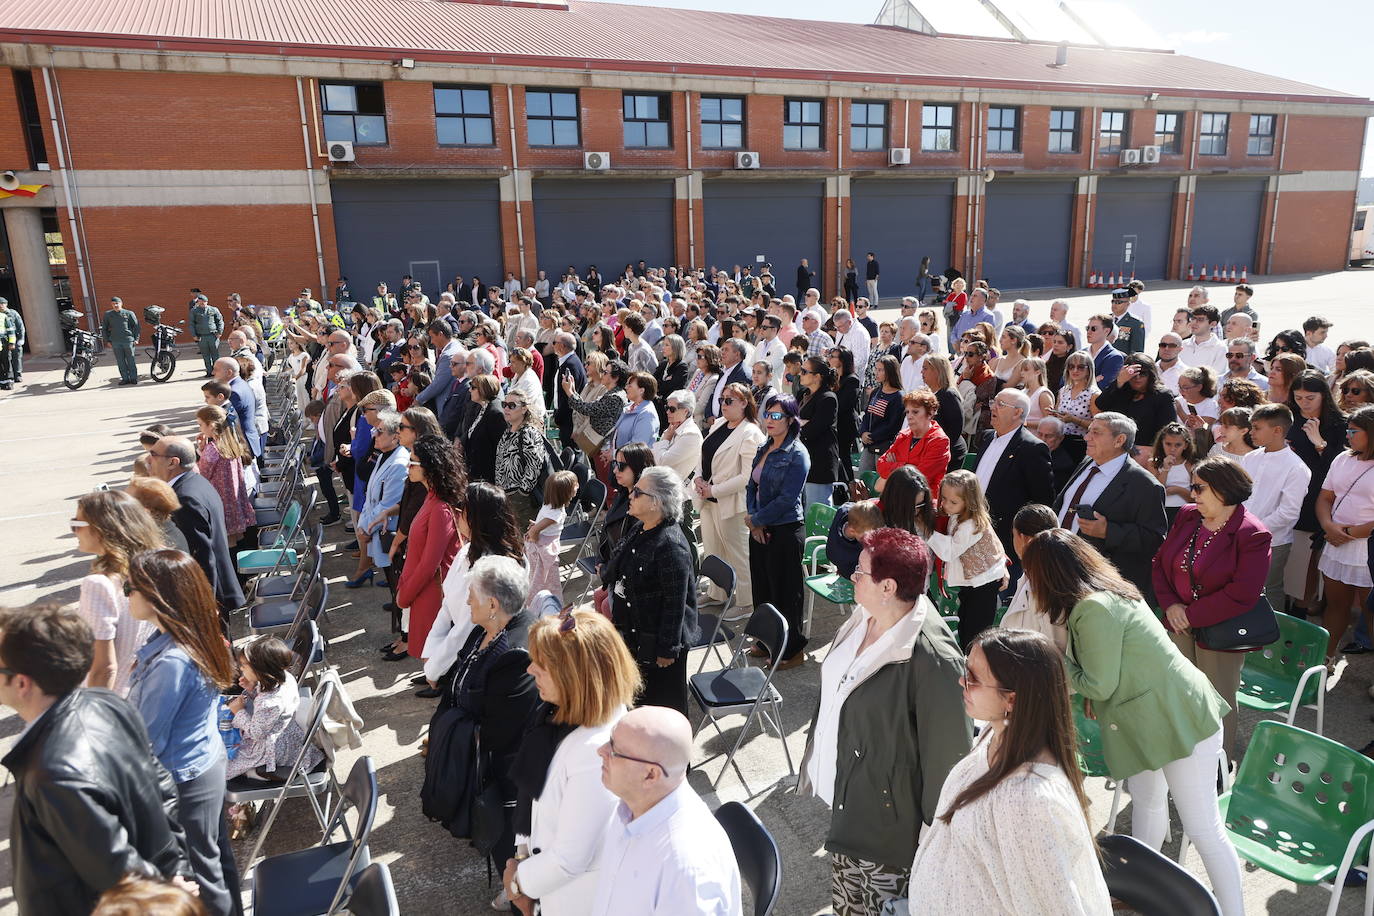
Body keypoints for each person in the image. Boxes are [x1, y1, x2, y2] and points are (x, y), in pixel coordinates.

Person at [1023, 529, 1242, 916]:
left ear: (1049, 575)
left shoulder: (1093, 608)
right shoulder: (1109, 592)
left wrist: (1054, 660)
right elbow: (1109, 670)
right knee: (1148, 805)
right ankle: (1141, 891)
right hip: (1153, 718)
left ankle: (1233, 911)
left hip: (1178, 720)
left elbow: (1099, 682)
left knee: (1203, 829)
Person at [798, 528, 972, 916]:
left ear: (888, 586)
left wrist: (931, 842)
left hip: (890, 835)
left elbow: (947, 761)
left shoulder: (934, 658)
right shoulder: (866, 615)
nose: (850, 576)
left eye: (859, 572)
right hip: (850, 808)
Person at [0, 605, 195, 915]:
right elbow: (164, 790)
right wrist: (174, 871)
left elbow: (114, 868)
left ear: (22, 683)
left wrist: (167, 889)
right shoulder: (106, 702)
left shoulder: (53, 771)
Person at [907, 628, 1110, 915]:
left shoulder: (1030, 800)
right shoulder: (994, 733)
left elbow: (1054, 905)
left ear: (1012, 700)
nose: (961, 680)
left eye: (974, 679)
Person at [125, 550, 241, 916]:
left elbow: (145, 741)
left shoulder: (172, 662)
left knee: (201, 875)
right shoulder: (182, 638)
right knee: (215, 860)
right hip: (201, 765)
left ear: (158, 596)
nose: (125, 593)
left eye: (131, 587)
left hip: (184, 777)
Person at [503, 610, 641, 916]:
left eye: (543, 665)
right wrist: (522, 858)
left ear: (576, 676)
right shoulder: (554, 718)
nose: (530, 670)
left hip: (572, 900)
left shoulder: (596, 753)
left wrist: (519, 883)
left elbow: (570, 858)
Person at [422, 554, 539, 885]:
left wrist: (447, 733)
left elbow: (500, 732)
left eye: (471, 594)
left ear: (492, 603)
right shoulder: (483, 630)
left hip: (504, 781)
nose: (467, 600)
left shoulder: (516, 650)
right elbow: (457, 680)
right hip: (480, 763)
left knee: (510, 855)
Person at [1152, 455, 1270, 758]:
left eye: (1199, 487)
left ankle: (1218, 765)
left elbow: (1243, 593)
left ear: (1223, 489)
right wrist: (1171, 606)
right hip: (1177, 623)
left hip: (1220, 631)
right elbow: (1160, 563)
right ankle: (1182, 755)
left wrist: (1188, 615)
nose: (1193, 494)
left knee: (1217, 700)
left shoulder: (1252, 533)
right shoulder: (1188, 515)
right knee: (1180, 693)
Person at [587, 706, 741, 916]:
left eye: (614, 750)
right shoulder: (632, 805)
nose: (601, 750)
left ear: (651, 775)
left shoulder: (686, 871)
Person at [602, 467, 698, 714]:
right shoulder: (641, 527)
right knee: (639, 703)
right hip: (636, 633)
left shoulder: (670, 545)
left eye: (637, 492)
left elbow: (675, 604)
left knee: (663, 709)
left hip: (657, 643)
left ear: (656, 503)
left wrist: (667, 649)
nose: (630, 495)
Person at [1053, 414, 1168, 603]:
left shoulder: (1145, 485)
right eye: (1089, 431)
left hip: (1094, 586)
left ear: (1119, 440)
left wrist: (1109, 531)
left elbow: (1154, 538)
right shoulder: (1087, 463)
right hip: (1057, 568)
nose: (1086, 437)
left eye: (1096, 433)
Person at [70, 490, 162, 695]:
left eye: (77, 525)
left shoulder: (98, 584)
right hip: (142, 691)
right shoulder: (154, 570)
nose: (74, 531)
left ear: (101, 530)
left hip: (112, 699)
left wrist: (96, 715)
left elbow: (103, 668)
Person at [747, 394, 811, 669]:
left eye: (776, 416)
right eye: (767, 414)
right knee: (762, 588)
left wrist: (757, 519)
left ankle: (792, 650)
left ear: (790, 419)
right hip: (760, 526)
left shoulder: (797, 454)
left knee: (785, 593)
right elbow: (752, 486)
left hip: (785, 529)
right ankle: (766, 639)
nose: (769, 420)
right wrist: (754, 519)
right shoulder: (764, 447)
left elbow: (787, 498)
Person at [146, 436, 244, 617]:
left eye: (153, 454)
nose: (147, 460)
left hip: (213, 598)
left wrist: (204, 605)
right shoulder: (195, 482)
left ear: (172, 462)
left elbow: (202, 555)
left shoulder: (184, 499)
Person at [693, 382, 768, 615]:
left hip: (732, 503)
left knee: (738, 554)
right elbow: (703, 453)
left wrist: (713, 490)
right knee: (714, 550)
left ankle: (746, 602)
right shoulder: (720, 424)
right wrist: (697, 477)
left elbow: (747, 477)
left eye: (729, 401)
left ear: (745, 403)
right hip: (707, 498)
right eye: (722, 400)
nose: (723, 405)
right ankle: (718, 593)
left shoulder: (751, 433)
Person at [391, 435, 465, 663]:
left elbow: (430, 564)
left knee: (435, 659)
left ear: (429, 466)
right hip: (423, 591)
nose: (408, 466)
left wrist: (404, 595)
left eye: (413, 462)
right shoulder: (432, 499)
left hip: (431, 594)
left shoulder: (440, 508)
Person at [1315, 405, 1374, 661]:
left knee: (1371, 613)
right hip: (1336, 542)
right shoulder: (1342, 458)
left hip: (1367, 548)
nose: (1348, 434)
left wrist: (1349, 531)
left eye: (1354, 430)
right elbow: (1325, 497)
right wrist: (1329, 527)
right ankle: (1324, 660)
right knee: (1336, 606)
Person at [1287, 370, 1348, 615]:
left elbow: (1343, 466)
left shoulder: (1340, 423)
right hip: (1289, 493)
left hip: (1320, 496)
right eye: (1299, 397)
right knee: (1289, 556)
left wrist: (1319, 442)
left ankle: (1302, 607)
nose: (1304, 403)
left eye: (1310, 398)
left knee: (1309, 559)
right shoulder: (1287, 417)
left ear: (1324, 395)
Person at [973, 389, 1053, 568]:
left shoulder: (1032, 448)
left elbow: (1042, 499)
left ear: (1017, 412)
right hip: (973, 529)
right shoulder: (987, 437)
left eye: (1001, 404)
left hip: (1004, 539)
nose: (993, 407)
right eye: (994, 402)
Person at [928, 470, 1008, 649]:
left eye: (953, 501)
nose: (946, 505)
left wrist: (927, 533)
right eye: (944, 499)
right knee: (965, 622)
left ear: (969, 501)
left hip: (983, 583)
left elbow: (949, 551)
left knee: (975, 633)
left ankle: (973, 663)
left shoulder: (971, 525)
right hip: (973, 582)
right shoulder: (960, 515)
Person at [1243, 404, 1311, 613]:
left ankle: (1272, 643)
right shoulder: (1250, 458)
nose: (1251, 432)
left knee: (1269, 590)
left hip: (1274, 541)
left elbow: (1289, 512)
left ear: (1277, 430)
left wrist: (1253, 529)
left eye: (1257, 428)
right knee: (1242, 588)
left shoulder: (1296, 467)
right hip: (1240, 536)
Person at [224, 636, 320, 780]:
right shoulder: (285, 677)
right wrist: (252, 688)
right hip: (287, 733)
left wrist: (238, 711)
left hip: (270, 749)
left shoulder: (269, 703)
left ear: (261, 669)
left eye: (244, 665)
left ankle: (254, 773)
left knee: (222, 770)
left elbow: (256, 733)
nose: (241, 668)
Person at [193, 406, 254, 544]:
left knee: (226, 542)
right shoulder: (231, 442)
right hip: (233, 502)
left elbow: (201, 475)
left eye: (201, 425)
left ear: (212, 425)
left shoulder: (213, 450)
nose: (200, 429)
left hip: (220, 503)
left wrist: (200, 452)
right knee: (235, 540)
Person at [1095, 355, 1177, 454]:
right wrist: (1119, 381)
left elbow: (1167, 429)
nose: (1137, 377)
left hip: (1145, 451)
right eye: (1133, 373)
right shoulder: (1120, 390)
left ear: (1150, 375)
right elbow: (1100, 404)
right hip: (1116, 448)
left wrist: (1150, 451)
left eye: (1142, 373)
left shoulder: (1162, 396)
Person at [875, 389, 950, 496]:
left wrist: (894, 465)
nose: (909, 416)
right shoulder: (903, 435)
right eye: (907, 412)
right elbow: (880, 465)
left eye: (915, 412)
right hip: (895, 498)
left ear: (931, 412)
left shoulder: (939, 441)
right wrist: (908, 466)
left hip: (923, 503)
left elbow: (919, 478)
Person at [496, 388, 546, 532]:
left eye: (512, 406)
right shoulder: (509, 430)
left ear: (524, 409)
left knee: (523, 539)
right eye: (504, 404)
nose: (506, 408)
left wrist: (521, 493)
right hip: (506, 496)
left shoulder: (528, 433)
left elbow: (534, 466)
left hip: (522, 501)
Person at [525, 470, 577, 603]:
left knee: (537, 579)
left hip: (539, 547)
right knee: (547, 582)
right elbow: (533, 532)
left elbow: (539, 526)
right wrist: (537, 540)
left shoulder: (550, 505)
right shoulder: (555, 515)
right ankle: (551, 605)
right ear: (565, 492)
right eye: (574, 486)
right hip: (543, 552)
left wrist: (537, 527)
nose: (577, 486)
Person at [797, 356, 842, 507]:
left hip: (820, 464)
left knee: (816, 513)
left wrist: (798, 425)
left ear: (817, 377)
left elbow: (812, 430)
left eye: (804, 371)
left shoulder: (828, 398)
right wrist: (800, 423)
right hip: (804, 462)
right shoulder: (803, 395)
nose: (800, 374)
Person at [857, 355, 905, 477]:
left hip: (884, 447)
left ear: (890, 372)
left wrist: (873, 436)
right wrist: (863, 432)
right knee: (863, 479)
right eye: (876, 369)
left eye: (880, 370)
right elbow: (867, 415)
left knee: (880, 480)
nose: (876, 373)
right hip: (868, 445)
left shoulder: (899, 397)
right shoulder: (875, 392)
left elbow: (893, 425)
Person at [1149, 421, 1199, 525]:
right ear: (1162, 443)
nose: (1172, 449)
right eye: (1168, 444)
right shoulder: (1153, 463)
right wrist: (1165, 469)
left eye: (1178, 445)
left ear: (1185, 445)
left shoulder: (1190, 465)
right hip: (1161, 511)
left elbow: (1195, 498)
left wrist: (1178, 490)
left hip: (1185, 512)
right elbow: (1156, 494)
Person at [460, 373, 505, 483]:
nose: (470, 390)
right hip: (477, 472)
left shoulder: (495, 413)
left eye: (473, 387)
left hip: (488, 477)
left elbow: (500, 449)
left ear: (484, 389)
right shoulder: (483, 407)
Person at [651, 388, 703, 481]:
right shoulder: (673, 427)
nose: (667, 412)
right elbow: (655, 456)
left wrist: (666, 439)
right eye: (667, 408)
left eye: (672, 409)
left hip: (677, 492)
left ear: (685, 411)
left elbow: (662, 462)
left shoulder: (691, 435)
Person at [102, 297, 142, 385]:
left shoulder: (129, 313)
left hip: (128, 340)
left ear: (121, 303)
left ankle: (133, 378)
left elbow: (136, 327)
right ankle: (125, 378)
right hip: (115, 341)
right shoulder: (108, 315)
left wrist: (136, 339)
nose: (115, 305)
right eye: (113, 304)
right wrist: (107, 340)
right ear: (111, 305)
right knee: (120, 361)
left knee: (131, 360)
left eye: (117, 303)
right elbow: (104, 328)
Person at [1181, 305, 1227, 374]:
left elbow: (1216, 378)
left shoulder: (1221, 349)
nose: (1194, 323)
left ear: (1213, 324)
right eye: (1193, 318)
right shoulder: (1182, 345)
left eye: (1200, 320)